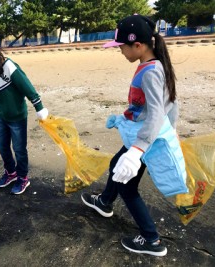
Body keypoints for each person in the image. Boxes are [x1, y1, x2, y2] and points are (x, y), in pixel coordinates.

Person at [81, 14, 180, 257]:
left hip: (147, 140)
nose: (120, 52)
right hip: (146, 136)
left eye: (121, 47)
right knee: (117, 164)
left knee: (127, 186)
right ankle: (104, 202)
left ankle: (152, 240)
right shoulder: (152, 64)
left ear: (138, 45)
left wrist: (137, 151)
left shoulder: (150, 72)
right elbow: (171, 103)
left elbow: (157, 112)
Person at [0, 45, 48, 194]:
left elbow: (27, 86)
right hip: (3, 116)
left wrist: (39, 107)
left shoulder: (9, 66)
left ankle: (23, 178)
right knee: (1, 144)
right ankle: (11, 172)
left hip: (17, 117)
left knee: (19, 149)